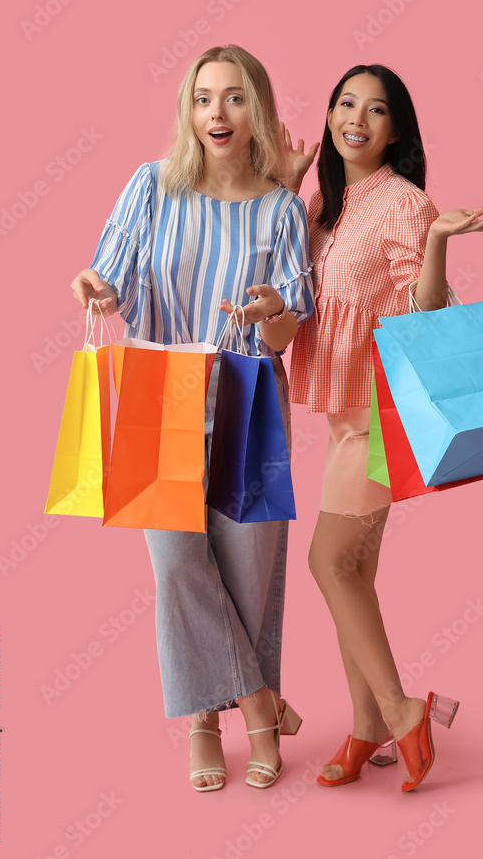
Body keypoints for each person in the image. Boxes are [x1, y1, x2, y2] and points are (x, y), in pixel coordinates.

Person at [70, 45, 313, 792]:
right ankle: (234, 712)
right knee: (178, 566)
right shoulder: (151, 187)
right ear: (188, 110)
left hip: (247, 388)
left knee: (248, 569)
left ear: (257, 111)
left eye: (235, 98)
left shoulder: (280, 209)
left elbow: (287, 329)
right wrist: (93, 287)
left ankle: (242, 712)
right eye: (204, 98)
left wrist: (273, 311)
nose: (218, 113)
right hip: (156, 385)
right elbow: (104, 273)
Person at [286, 64, 483, 791]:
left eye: (376, 110)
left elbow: (427, 315)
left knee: (328, 563)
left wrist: (439, 236)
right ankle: (366, 727)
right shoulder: (328, 202)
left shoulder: (406, 204)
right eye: (345, 102)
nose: (356, 117)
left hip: (382, 418)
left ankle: (401, 707)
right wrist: (288, 189)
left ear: (396, 131)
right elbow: (293, 288)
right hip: (346, 423)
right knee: (353, 576)